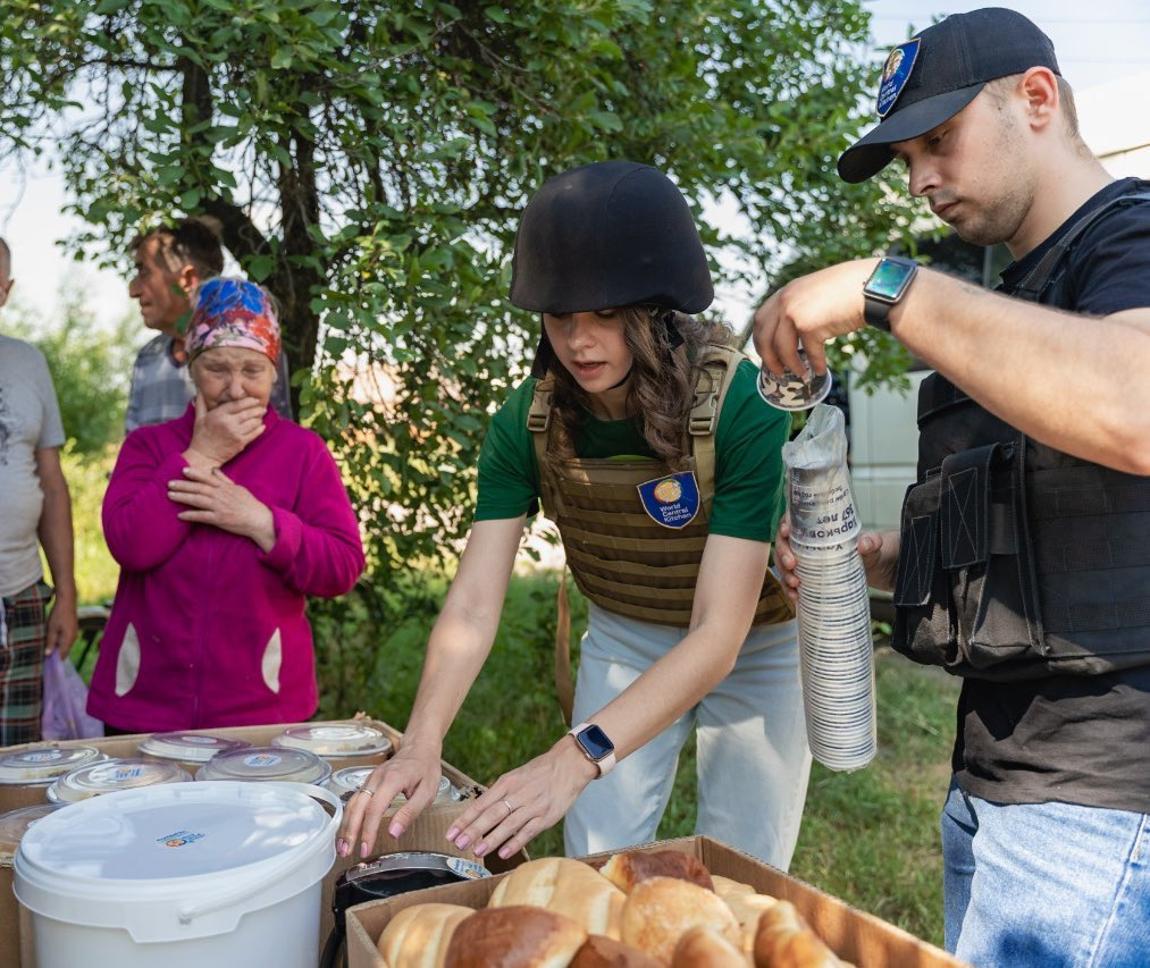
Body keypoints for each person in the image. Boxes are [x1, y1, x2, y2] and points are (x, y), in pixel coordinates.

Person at [755, 9, 1150, 966]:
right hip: (992, 789)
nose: (923, 179)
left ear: (1037, 99)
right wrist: (880, 563)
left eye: (940, 140)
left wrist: (882, 285)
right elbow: (1042, 530)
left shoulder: (1130, 238)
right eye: (905, 159)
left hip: (1102, 812)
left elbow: (1136, 404)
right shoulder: (1005, 305)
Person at [339, 161, 810, 868]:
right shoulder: (522, 426)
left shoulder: (743, 406)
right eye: (560, 317)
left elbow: (717, 635)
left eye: (607, 316)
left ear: (655, 313)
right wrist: (422, 741)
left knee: (746, 860)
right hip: (628, 630)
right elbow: (470, 608)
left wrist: (577, 752)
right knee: (596, 848)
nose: (580, 340)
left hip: (755, 644)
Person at [88, 278, 365, 732]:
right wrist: (201, 455)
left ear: (274, 373)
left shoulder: (302, 452)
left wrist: (261, 522)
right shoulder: (148, 448)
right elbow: (131, 545)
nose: (236, 388)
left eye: (252, 371)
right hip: (144, 708)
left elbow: (341, 568)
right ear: (192, 368)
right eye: (217, 368)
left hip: (263, 711)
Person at [0, 236, 79, 745]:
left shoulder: (28, 362)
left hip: (21, 592)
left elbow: (51, 482)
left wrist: (66, 592)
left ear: (4, 291)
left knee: (17, 760)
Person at [125, 217, 293, 431]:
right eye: (216, 369)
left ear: (187, 279)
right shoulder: (148, 356)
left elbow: (279, 448)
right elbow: (133, 454)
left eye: (144, 272)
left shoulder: (255, 352)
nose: (133, 290)